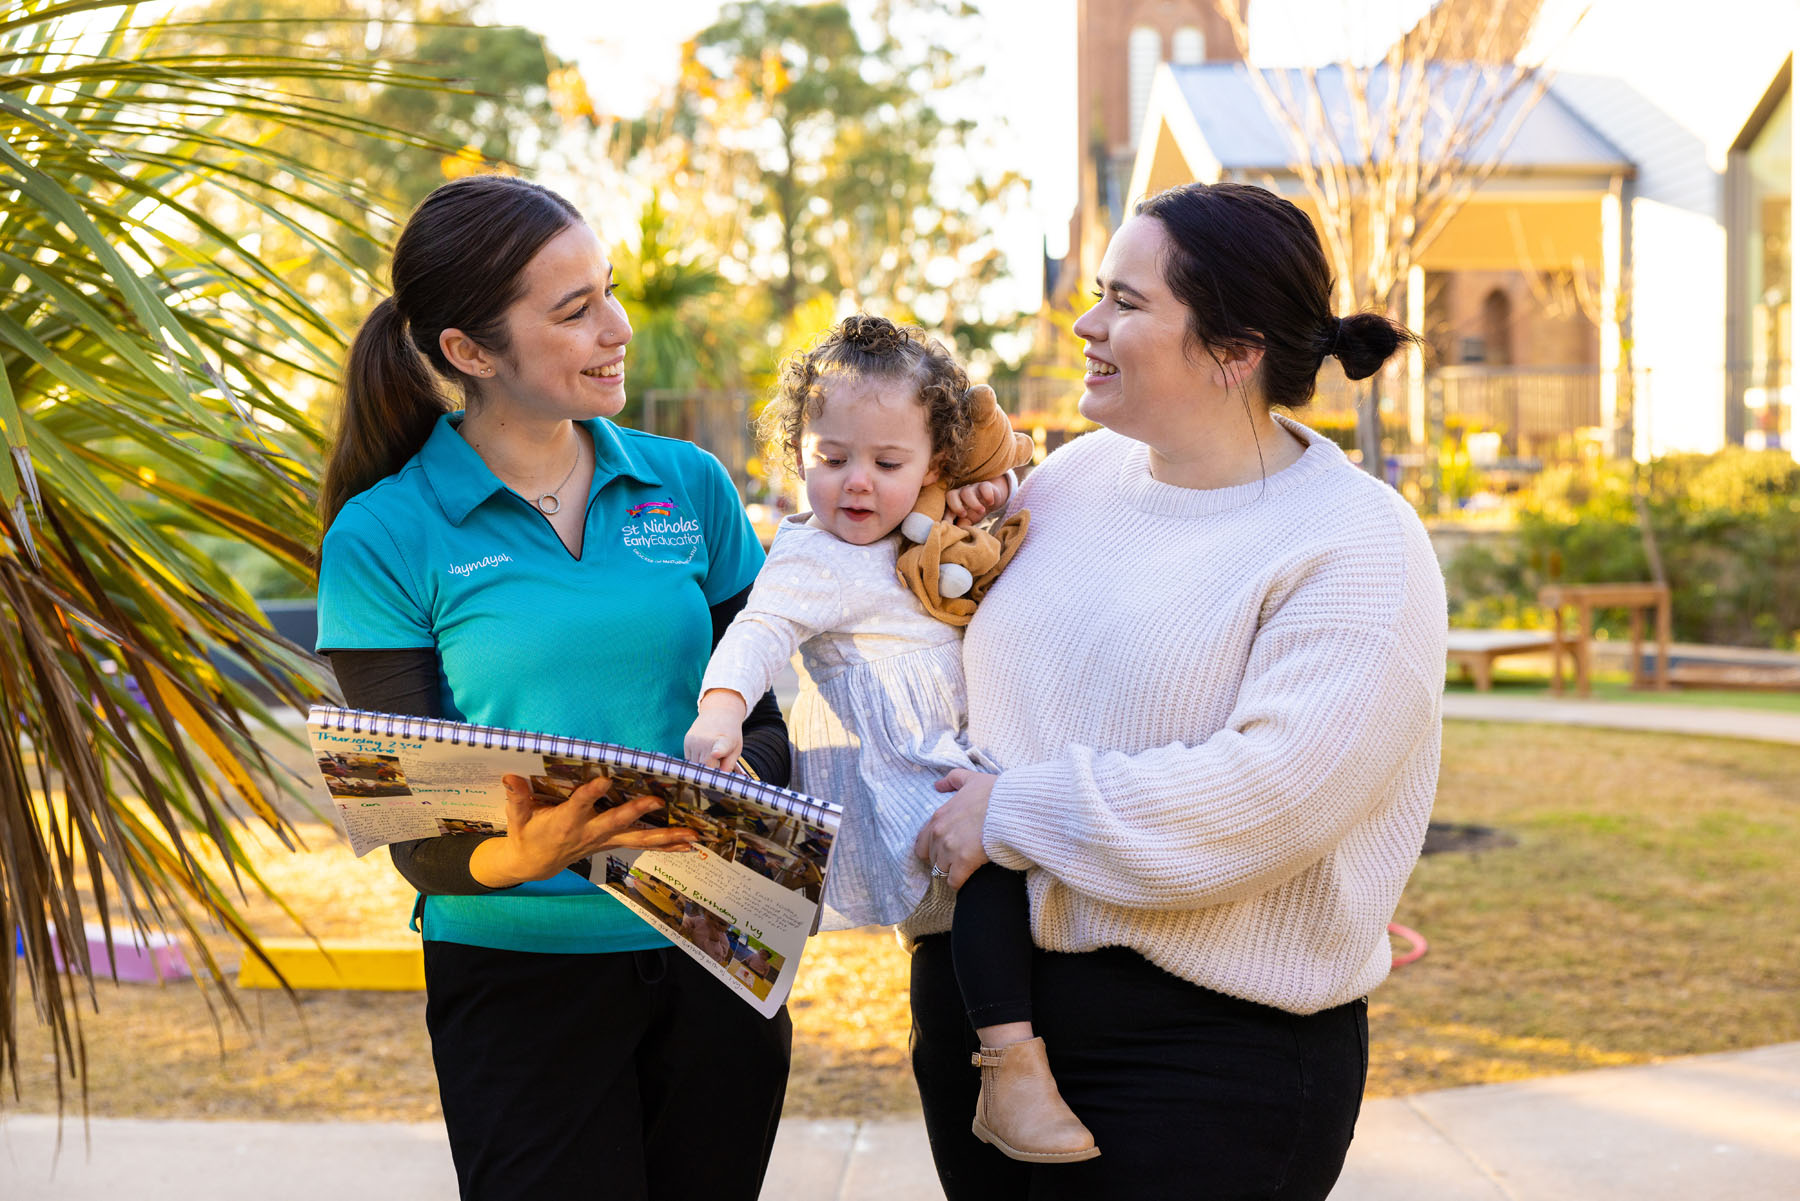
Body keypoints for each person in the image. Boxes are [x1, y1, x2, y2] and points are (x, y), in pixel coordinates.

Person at [909, 180, 1449, 1200]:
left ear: (1234, 349)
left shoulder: (1358, 543)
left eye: (1126, 300)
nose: (1088, 322)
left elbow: (1274, 796)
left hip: (1201, 1058)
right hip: (982, 1018)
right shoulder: (1066, 483)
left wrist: (1016, 811)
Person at [314, 174, 793, 1201]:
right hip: (518, 973)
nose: (616, 328)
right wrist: (516, 852)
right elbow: (412, 825)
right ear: (469, 352)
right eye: (573, 312)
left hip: (719, 949)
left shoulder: (692, 486)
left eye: (607, 293)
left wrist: (718, 790)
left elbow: (763, 727)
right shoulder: (386, 536)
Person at [684, 315, 1098, 1163]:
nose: (857, 486)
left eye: (887, 463)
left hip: (969, 748)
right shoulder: (811, 554)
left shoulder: (930, 522)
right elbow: (760, 630)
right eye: (831, 460)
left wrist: (983, 494)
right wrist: (722, 709)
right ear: (799, 452)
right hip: (906, 765)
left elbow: (989, 526)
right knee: (983, 870)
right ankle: (1012, 1070)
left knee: (991, 892)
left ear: (935, 465)